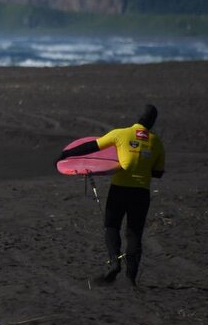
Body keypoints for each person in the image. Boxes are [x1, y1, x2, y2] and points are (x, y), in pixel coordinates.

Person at [58, 104, 166, 287]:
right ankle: (131, 279)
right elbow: (158, 172)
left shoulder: (120, 134)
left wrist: (65, 154)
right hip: (141, 193)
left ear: (138, 119)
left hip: (119, 190)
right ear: (152, 123)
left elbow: (92, 146)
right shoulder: (156, 142)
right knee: (134, 233)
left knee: (111, 226)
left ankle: (114, 263)